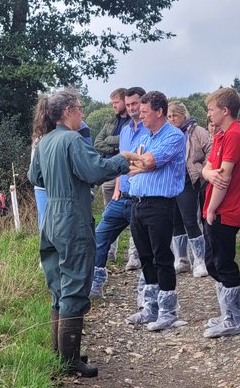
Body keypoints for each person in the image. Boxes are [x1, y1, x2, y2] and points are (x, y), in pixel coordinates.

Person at [29, 88, 130, 377]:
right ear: (68, 110)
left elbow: (35, 177)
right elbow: (96, 171)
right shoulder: (72, 140)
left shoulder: (45, 140)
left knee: (58, 286)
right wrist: (123, 159)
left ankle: (59, 353)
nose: (83, 113)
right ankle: (70, 360)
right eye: (80, 108)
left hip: (50, 217)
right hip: (72, 218)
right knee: (74, 285)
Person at [122, 91, 188, 332]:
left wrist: (138, 161)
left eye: (144, 111)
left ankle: (168, 311)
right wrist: (140, 163)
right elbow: (131, 166)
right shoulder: (145, 137)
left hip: (159, 204)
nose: (140, 116)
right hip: (138, 204)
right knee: (145, 256)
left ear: (159, 112)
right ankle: (150, 308)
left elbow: (149, 161)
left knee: (162, 256)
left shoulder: (173, 136)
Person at [200, 88, 240, 338]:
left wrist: (211, 209)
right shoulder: (221, 135)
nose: (209, 114)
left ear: (225, 110)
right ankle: (227, 313)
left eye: (211, 109)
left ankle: (236, 319)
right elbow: (208, 169)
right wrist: (208, 173)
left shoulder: (235, 135)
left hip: (225, 209)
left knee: (224, 262)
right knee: (212, 262)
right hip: (214, 208)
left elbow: (224, 178)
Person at [90, 87, 146, 299]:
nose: (131, 108)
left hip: (143, 199)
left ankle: (148, 295)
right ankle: (95, 285)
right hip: (122, 195)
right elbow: (124, 163)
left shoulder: (151, 130)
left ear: (144, 103)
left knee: (146, 247)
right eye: (129, 104)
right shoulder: (124, 131)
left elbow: (147, 163)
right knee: (100, 236)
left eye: (135, 104)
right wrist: (117, 187)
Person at [167, 100, 213, 278]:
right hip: (171, 180)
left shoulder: (197, 131)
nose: (172, 119)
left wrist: (202, 169)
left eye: (175, 116)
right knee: (175, 220)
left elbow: (211, 149)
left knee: (190, 219)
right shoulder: (167, 133)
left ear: (184, 115)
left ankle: (200, 260)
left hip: (188, 179)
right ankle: (182, 259)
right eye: (169, 116)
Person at [95, 87, 129, 263]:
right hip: (109, 171)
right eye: (112, 103)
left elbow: (127, 142)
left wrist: (113, 142)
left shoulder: (133, 122)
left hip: (127, 172)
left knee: (134, 219)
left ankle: (134, 255)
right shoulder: (110, 122)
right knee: (109, 213)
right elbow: (98, 142)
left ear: (124, 101)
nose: (114, 105)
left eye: (116, 102)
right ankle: (109, 251)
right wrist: (117, 150)